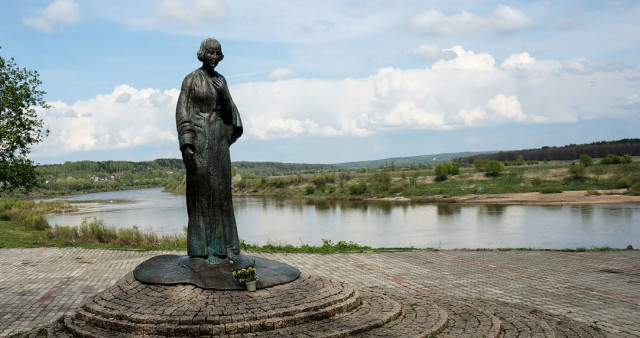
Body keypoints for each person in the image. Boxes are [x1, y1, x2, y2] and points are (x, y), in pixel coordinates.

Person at [176, 38, 243, 263]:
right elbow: (182, 112)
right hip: (199, 141)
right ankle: (201, 250)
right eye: (210, 53)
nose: (214, 57)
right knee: (202, 196)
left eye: (217, 53)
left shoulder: (221, 81)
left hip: (218, 143)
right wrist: (187, 145)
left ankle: (226, 248)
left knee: (222, 194)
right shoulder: (191, 80)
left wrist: (224, 94)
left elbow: (230, 113)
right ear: (202, 54)